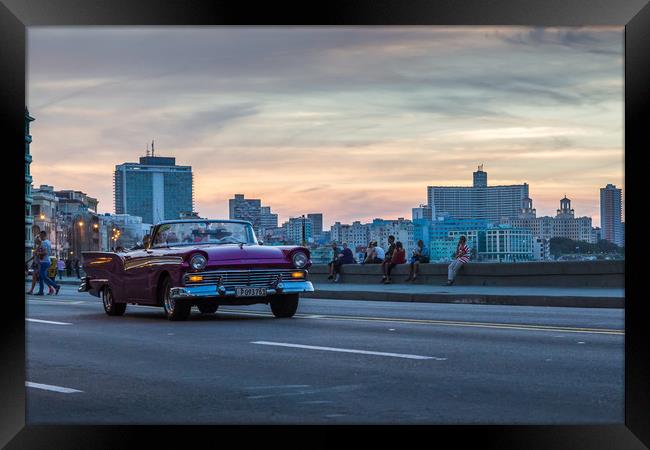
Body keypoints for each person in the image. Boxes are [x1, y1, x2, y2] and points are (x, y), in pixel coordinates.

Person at [35, 231, 60, 296]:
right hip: (45, 261)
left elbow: (45, 252)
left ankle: (56, 286)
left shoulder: (44, 243)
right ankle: (41, 291)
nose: (40, 237)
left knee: (44, 277)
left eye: (40, 236)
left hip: (44, 262)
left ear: (43, 235)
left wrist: (38, 253)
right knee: (41, 277)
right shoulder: (48, 242)